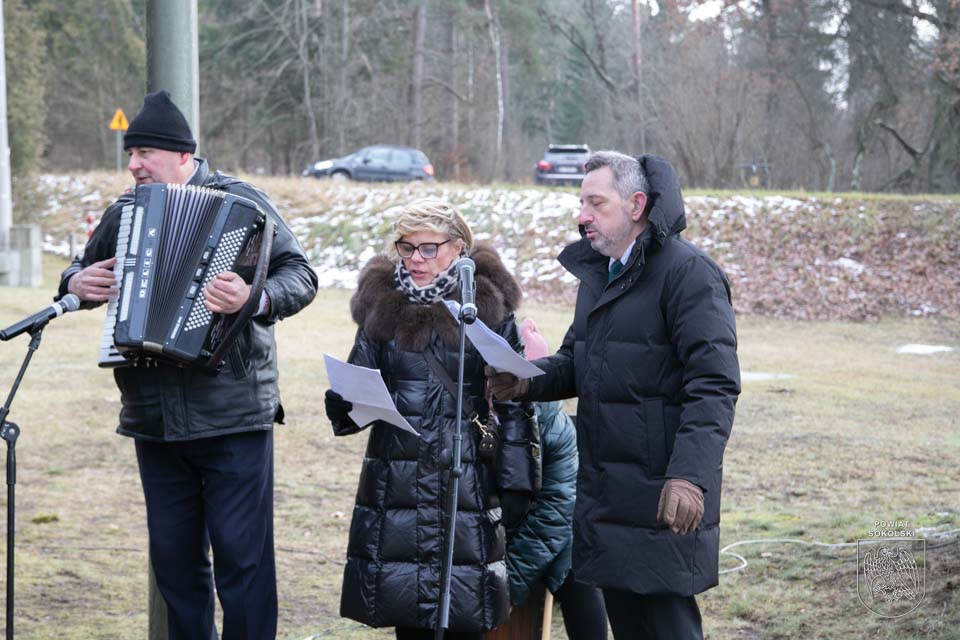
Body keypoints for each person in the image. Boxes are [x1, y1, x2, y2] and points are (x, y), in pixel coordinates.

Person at [57, 90, 318, 639]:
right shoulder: (124, 212)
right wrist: (76, 282)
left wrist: (254, 297)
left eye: (145, 153)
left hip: (232, 416)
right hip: (153, 419)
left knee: (243, 564)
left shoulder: (243, 203)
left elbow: (300, 275)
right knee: (176, 568)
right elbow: (79, 272)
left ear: (182, 155)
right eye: (130, 154)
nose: (133, 165)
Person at [487, 151, 740, 640]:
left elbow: (714, 384)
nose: (583, 216)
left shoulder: (689, 274)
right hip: (606, 494)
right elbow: (576, 361)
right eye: (581, 203)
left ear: (636, 205)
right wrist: (524, 380)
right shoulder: (601, 274)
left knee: (667, 629)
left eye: (596, 203)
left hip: (662, 494)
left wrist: (690, 476)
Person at [323, 198, 541, 640]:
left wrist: (518, 483)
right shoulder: (382, 306)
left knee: (463, 612)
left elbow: (516, 401)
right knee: (408, 614)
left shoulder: (488, 308)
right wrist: (344, 399)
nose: (415, 259)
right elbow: (358, 383)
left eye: (428, 248)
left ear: (458, 248)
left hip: (467, 481)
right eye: (406, 248)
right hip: (396, 479)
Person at [503, 318, 608, 640]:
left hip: (548, 535)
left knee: (579, 574)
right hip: (497, 534)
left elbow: (554, 514)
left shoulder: (555, 429)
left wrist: (510, 583)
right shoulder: (480, 418)